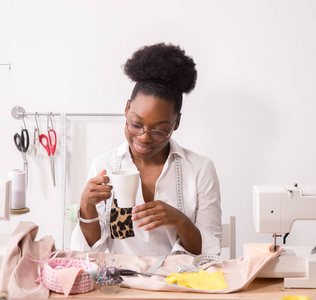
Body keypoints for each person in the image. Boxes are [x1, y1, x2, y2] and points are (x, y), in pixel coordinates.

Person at [70, 43, 222, 256]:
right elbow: (95, 250)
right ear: (127, 109)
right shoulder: (104, 166)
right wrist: (86, 207)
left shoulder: (199, 169)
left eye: (160, 131)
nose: (144, 138)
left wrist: (179, 220)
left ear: (176, 123)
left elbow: (209, 252)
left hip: (178, 282)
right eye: (136, 124)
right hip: (122, 282)